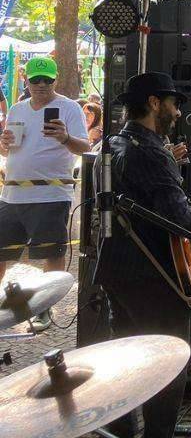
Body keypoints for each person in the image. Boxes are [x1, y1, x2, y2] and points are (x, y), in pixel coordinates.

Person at [93, 72, 191, 437]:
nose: (177, 113)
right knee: (168, 360)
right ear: (153, 103)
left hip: (117, 268)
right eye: (173, 104)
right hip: (154, 275)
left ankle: (124, 430)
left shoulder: (113, 144)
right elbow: (177, 217)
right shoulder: (148, 151)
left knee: (126, 358)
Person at [0, 56, 90, 331]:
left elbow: (85, 147)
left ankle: (45, 311)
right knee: (1, 251)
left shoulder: (69, 107)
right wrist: (3, 144)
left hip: (51, 193)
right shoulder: (16, 108)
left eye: (46, 80)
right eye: (35, 79)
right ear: (26, 80)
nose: (40, 85)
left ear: (55, 80)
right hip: (13, 193)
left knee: (51, 252)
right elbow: (8, 150)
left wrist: (64, 138)